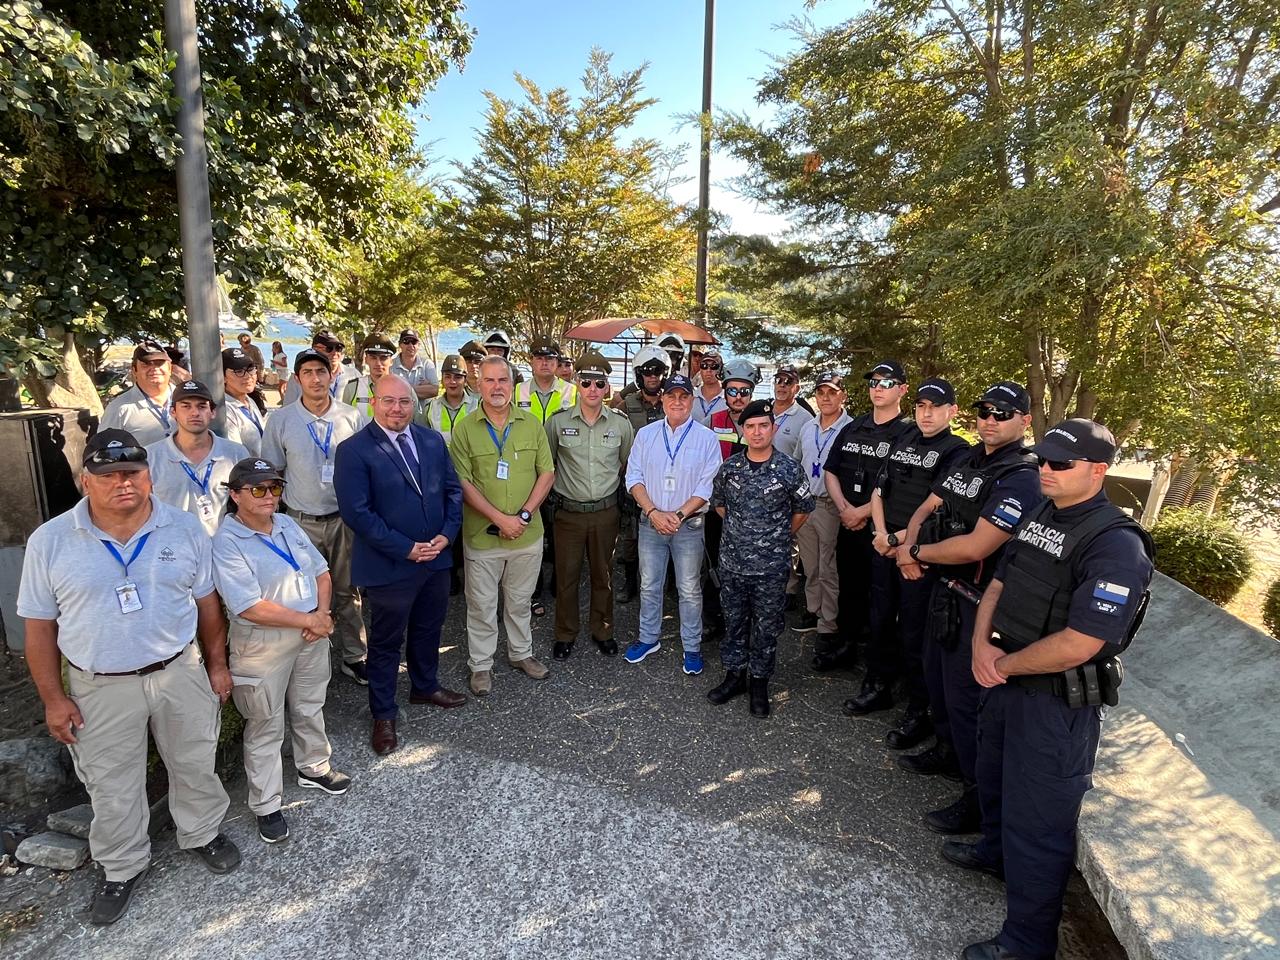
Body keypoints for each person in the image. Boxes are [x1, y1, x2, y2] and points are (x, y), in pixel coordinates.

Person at [948, 418, 1154, 960]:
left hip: (1055, 703)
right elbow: (999, 580)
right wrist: (979, 645)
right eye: (1042, 460)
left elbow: (1082, 641)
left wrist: (1005, 663)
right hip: (1006, 678)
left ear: (1098, 470)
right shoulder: (1043, 511)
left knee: (1038, 825)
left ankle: (1026, 943)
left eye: (1060, 464)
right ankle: (993, 853)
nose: (1046, 470)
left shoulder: (1116, 544)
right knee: (991, 780)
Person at [17, 430, 241, 925]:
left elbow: (207, 604)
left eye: (133, 472)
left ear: (149, 476)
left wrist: (217, 665)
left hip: (179, 672)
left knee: (194, 762)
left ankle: (202, 833)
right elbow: (39, 628)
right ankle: (121, 865)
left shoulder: (183, 529)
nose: (123, 483)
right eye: (109, 474)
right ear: (85, 481)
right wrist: (53, 698)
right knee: (111, 784)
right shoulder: (50, 541)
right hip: (100, 685)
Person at [898, 381, 1042, 834]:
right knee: (939, 683)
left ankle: (977, 801)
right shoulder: (967, 459)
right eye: (984, 412)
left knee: (969, 704)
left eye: (1002, 413)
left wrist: (915, 554)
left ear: (1025, 421)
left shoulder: (1021, 475)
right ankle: (946, 752)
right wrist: (911, 543)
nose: (990, 420)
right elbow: (929, 504)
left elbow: (979, 544)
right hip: (944, 587)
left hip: (982, 601)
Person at [212, 458, 351, 844]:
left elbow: (322, 571)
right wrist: (310, 622)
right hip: (263, 640)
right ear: (235, 495)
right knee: (265, 721)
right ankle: (266, 803)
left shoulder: (287, 524)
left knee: (309, 703)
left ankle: (313, 766)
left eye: (274, 488)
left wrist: (321, 614)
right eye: (258, 489)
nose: (269, 496)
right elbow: (249, 605)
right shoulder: (225, 542)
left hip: (309, 629)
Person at [334, 375, 466, 755]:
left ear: (414, 404)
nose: (397, 409)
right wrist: (406, 548)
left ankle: (425, 687)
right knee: (387, 642)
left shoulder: (430, 440)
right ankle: (383, 713)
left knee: (429, 629)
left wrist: (446, 535)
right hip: (390, 564)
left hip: (436, 558)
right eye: (389, 401)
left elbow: (452, 492)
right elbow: (358, 513)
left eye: (404, 402)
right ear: (374, 402)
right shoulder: (355, 450)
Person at [861, 378, 970, 741]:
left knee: (914, 632)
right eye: (921, 406)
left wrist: (897, 541)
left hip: (918, 553)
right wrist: (880, 534)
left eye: (935, 407)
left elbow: (937, 510)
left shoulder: (957, 451)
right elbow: (880, 490)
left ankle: (918, 709)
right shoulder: (904, 439)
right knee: (878, 619)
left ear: (951, 411)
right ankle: (878, 686)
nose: (926, 413)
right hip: (884, 543)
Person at [448, 355, 556, 696]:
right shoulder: (464, 428)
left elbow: (547, 473)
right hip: (483, 537)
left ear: (513, 385)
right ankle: (481, 665)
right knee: (480, 605)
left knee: (520, 600)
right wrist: (500, 520)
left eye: (503, 381)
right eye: (490, 381)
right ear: (479, 385)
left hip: (527, 533)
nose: (497, 387)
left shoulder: (531, 424)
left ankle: (520, 653)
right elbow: (462, 482)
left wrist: (522, 516)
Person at [261, 349, 370, 684]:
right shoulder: (281, 420)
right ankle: (308, 662)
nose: (315, 378)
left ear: (331, 376)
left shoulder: (351, 417)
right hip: (299, 521)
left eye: (321, 372)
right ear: (298, 379)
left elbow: (366, 467)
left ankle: (355, 655)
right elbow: (273, 472)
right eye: (307, 372)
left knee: (346, 592)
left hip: (342, 520)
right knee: (301, 593)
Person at [708, 399, 813, 716]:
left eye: (763, 426)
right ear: (743, 430)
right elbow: (720, 505)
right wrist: (744, 532)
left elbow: (802, 511)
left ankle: (759, 683)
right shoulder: (730, 468)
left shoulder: (789, 469)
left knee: (767, 629)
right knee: (735, 623)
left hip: (770, 567)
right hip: (733, 563)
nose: (756, 432)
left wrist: (772, 535)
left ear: (773, 428)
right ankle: (734, 676)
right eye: (750, 426)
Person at [623, 373, 722, 675]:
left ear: (692, 400)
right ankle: (648, 637)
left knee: (689, 588)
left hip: (688, 526)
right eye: (671, 396)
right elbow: (633, 478)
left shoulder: (707, 438)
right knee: (649, 585)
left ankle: (691, 646)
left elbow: (707, 487)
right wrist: (653, 512)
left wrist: (678, 516)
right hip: (650, 522)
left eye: (684, 396)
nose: (677, 402)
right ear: (662, 399)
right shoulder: (646, 434)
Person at [818, 362, 914, 672]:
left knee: (883, 597)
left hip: (883, 530)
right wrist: (845, 509)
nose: (877, 388)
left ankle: (879, 664)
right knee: (850, 586)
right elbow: (831, 469)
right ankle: (845, 645)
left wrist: (861, 512)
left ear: (902, 389)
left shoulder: (908, 433)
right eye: (873, 382)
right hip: (848, 521)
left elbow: (903, 487)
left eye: (886, 383)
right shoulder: (853, 427)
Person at [545, 350, 634, 660]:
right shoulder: (556, 423)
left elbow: (627, 466)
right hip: (568, 514)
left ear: (607, 387)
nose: (593, 389)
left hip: (606, 513)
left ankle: (603, 630)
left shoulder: (621, 424)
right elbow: (547, 465)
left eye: (599, 383)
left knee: (603, 576)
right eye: (586, 383)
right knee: (566, 577)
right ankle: (565, 633)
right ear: (577, 385)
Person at [791, 371, 854, 653]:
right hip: (805, 503)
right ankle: (814, 610)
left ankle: (829, 622)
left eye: (832, 392)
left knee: (829, 567)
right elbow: (796, 461)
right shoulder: (808, 426)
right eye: (821, 392)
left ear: (843, 395)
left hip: (829, 505)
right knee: (810, 563)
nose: (825, 398)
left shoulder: (850, 429)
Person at [515, 336, 577, 616]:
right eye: (539, 358)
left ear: (557, 362)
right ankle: (534, 586)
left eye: (550, 359)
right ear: (531, 361)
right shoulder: (517, 391)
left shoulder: (571, 391)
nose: (544, 363)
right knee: (529, 529)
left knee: (560, 531)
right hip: (525, 471)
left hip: (562, 469)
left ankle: (558, 582)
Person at [704, 358, 762, 641]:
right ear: (724, 391)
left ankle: (744, 623)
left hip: (751, 514)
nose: (738, 397)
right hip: (717, 509)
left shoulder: (761, 424)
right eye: (732, 391)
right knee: (714, 564)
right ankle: (714, 619)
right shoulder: (711, 422)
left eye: (744, 392)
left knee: (748, 571)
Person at [146, 379, 249, 536]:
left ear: (212, 412)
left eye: (202, 406)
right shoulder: (150, 457)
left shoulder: (235, 454)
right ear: (173, 412)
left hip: (222, 549)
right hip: (170, 549)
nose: (194, 413)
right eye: (186, 406)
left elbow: (248, 506)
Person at [612, 345, 668, 602]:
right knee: (630, 536)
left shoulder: (673, 403)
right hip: (632, 482)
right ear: (639, 375)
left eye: (657, 371)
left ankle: (666, 583)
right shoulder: (626, 404)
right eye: (647, 371)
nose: (653, 376)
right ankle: (629, 580)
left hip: (665, 482)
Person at [99, 340, 177, 447]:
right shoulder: (118, 409)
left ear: (170, 368)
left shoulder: (189, 401)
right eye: (146, 364)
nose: (154, 369)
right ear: (134, 371)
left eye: (160, 363)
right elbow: (104, 452)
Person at [415, 354, 476, 444]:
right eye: (447, 377)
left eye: (458, 377)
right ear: (442, 380)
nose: (452, 381)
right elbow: (422, 441)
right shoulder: (430, 408)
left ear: (465, 380)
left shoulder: (477, 406)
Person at [282, 330, 353, 405]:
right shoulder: (297, 378)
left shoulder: (353, 374)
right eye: (329, 348)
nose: (334, 353)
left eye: (339, 348)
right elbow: (288, 408)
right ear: (315, 349)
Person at [221, 347, 266, 455]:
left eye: (251, 369)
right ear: (223, 377)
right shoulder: (224, 410)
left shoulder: (249, 400)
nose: (248, 376)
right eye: (239, 371)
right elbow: (235, 454)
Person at [341, 333, 396, 417]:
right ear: (366, 359)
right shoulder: (352, 388)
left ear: (391, 361)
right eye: (373, 358)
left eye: (383, 358)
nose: (378, 363)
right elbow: (345, 422)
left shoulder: (404, 388)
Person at [770, 363, 814, 459]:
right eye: (778, 380)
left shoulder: (807, 420)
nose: (782, 385)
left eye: (788, 382)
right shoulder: (761, 410)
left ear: (797, 388)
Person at [390, 328, 440, 401]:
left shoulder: (427, 364)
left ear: (418, 345)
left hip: (423, 412)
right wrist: (423, 389)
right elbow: (388, 392)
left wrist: (400, 389)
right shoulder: (390, 365)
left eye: (414, 342)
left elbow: (435, 391)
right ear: (400, 344)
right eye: (406, 341)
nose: (410, 345)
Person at [693, 350, 725, 425]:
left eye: (714, 366)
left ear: (721, 370)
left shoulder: (729, 399)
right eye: (704, 365)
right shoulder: (690, 397)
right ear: (700, 369)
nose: (708, 370)